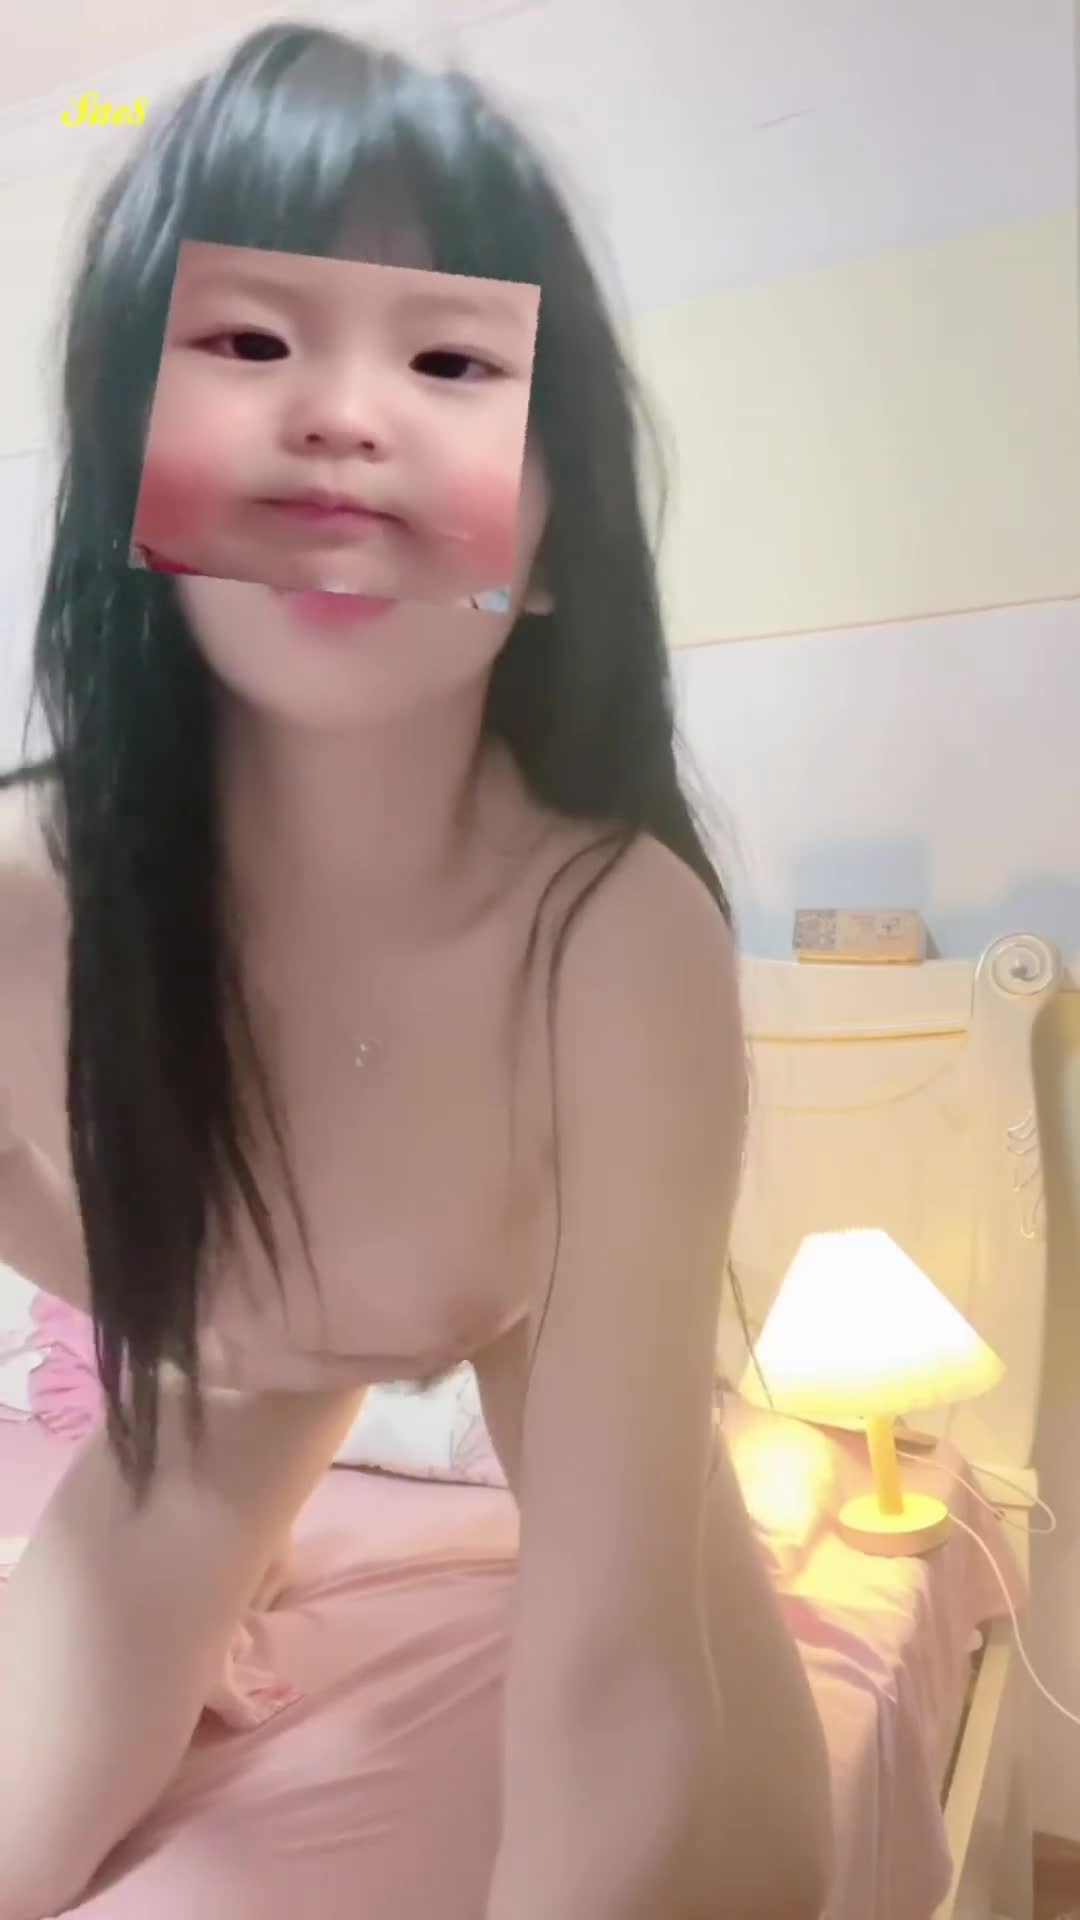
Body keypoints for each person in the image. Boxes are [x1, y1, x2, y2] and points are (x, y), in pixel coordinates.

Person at [0, 23, 833, 1920]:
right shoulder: (27, 899)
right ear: (138, 498)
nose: (344, 420)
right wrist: (199, 1292)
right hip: (226, 1361)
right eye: (249, 346)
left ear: (553, 542)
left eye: (450, 363)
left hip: (533, 1314)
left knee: (757, 1858)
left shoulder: (616, 940)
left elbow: (615, 1675)